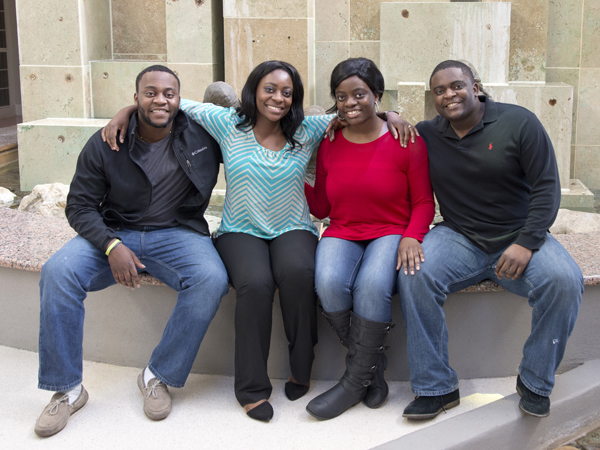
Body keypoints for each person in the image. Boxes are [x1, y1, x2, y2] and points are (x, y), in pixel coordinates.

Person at [103, 60, 415, 422]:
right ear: (254, 90)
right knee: (255, 283)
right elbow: (173, 103)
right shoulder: (227, 123)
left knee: (299, 273)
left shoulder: (310, 128)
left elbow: (358, 112)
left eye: (287, 92)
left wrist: (392, 113)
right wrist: (126, 110)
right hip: (240, 229)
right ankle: (251, 388)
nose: (278, 98)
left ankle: (302, 367)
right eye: (270, 89)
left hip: (292, 227)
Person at [34, 65, 229, 437]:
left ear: (179, 98)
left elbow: (248, 121)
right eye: (150, 92)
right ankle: (67, 389)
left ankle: (158, 375)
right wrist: (110, 244)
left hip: (176, 232)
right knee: (58, 272)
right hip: (115, 230)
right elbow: (78, 206)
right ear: (135, 96)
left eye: (168, 94)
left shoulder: (202, 134)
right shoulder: (108, 140)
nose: (160, 100)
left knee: (211, 279)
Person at [397, 60, 583, 420]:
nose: (449, 95)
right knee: (414, 273)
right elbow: (381, 130)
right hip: (459, 236)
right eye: (439, 90)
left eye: (456, 86)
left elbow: (546, 188)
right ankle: (436, 388)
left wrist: (527, 242)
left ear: (476, 86)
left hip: (518, 234)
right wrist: (390, 114)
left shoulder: (519, 122)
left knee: (564, 281)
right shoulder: (428, 134)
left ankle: (534, 381)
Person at [303, 58, 435, 420]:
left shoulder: (405, 139)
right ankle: (372, 369)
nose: (349, 103)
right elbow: (322, 206)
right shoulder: (330, 140)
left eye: (359, 94)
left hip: (391, 230)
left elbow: (424, 201)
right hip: (343, 228)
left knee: (373, 285)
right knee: (328, 282)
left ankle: (352, 382)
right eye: (341, 96)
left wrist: (412, 236)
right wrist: (292, 180)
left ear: (376, 95)